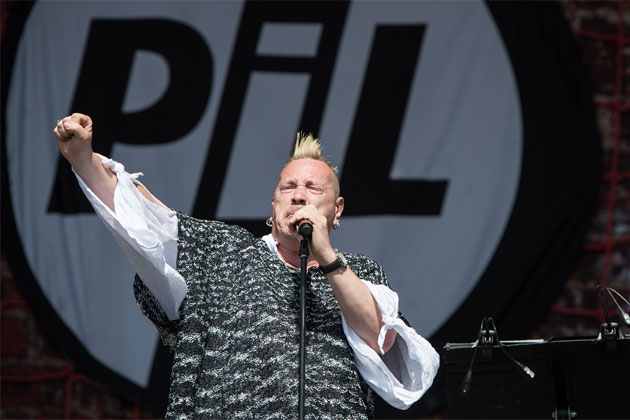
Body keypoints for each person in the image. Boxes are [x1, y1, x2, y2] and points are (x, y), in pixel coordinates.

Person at [54, 113, 439, 420]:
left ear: (336, 211)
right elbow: (150, 224)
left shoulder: (358, 271)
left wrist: (327, 258)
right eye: (288, 187)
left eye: (313, 188)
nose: (299, 196)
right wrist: (84, 160)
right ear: (273, 206)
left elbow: (381, 340)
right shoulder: (221, 252)